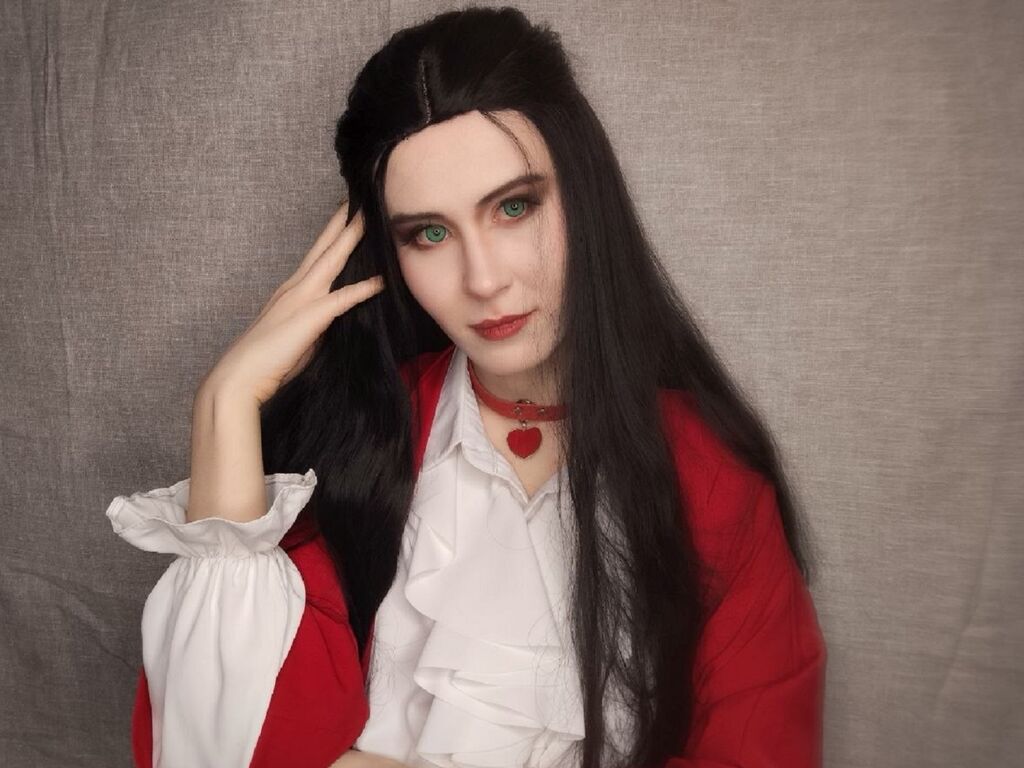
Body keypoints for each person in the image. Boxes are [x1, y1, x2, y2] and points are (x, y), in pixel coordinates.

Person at [105, 6, 826, 768]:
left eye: (514, 207)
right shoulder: (357, 447)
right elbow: (221, 741)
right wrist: (224, 403)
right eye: (430, 234)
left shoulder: (710, 479)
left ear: (585, 197)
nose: (483, 280)